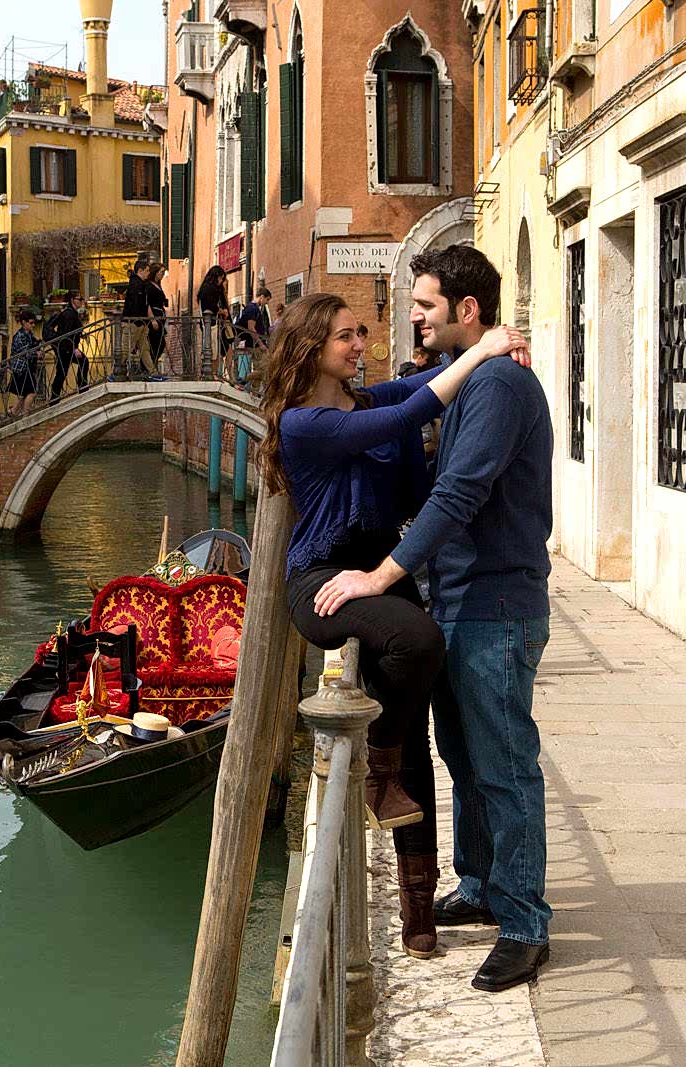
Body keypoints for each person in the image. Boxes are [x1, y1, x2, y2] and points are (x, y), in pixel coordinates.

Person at [259, 291, 527, 962]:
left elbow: (410, 393)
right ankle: (379, 756)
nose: (360, 344)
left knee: (416, 749)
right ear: (310, 347)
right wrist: (485, 351)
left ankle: (419, 912)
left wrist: (479, 350)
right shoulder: (302, 423)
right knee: (419, 642)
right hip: (321, 580)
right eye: (346, 336)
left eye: (362, 333)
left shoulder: (368, 404)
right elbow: (417, 404)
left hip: (377, 575)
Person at [312, 244, 551, 993]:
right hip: (457, 601)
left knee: (505, 766)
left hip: (496, 605)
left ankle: (524, 924)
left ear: (466, 311)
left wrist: (381, 573)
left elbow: (459, 496)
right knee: (463, 756)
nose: (412, 317)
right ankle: (480, 883)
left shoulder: (502, 386)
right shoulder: (471, 376)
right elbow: (397, 398)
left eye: (423, 306)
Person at [49, 290, 86, 399]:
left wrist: (81, 335)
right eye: (79, 299)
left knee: (62, 373)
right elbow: (66, 333)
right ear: (72, 300)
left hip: (66, 348)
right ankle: (82, 387)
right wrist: (74, 348)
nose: (81, 301)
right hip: (66, 349)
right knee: (63, 372)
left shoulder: (72, 313)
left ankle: (54, 398)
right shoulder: (69, 314)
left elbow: (72, 331)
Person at [7, 310, 40, 416]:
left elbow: (33, 345)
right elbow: (24, 352)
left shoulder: (29, 334)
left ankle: (13, 412)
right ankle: (25, 417)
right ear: (24, 322)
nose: (33, 325)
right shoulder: (20, 336)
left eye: (34, 323)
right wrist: (36, 354)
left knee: (24, 394)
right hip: (21, 368)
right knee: (31, 392)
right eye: (31, 323)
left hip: (27, 368)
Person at [122, 259, 152, 379]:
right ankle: (116, 372)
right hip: (134, 323)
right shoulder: (135, 284)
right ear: (140, 270)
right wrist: (138, 320)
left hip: (140, 322)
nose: (149, 273)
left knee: (145, 349)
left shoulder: (141, 284)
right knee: (126, 348)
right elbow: (135, 304)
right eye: (147, 270)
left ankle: (153, 372)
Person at [145, 263, 169, 378]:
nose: (163, 275)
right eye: (161, 272)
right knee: (154, 344)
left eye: (164, 273)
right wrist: (152, 319)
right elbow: (147, 303)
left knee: (160, 344)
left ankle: (151, 370)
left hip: (160, 317)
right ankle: (149, 370)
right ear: (155, 272)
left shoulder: (158, 284)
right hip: (154, 318)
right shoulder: (148, 286)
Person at [236, 286, 272, 353]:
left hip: (255, 344)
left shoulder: (253, 308)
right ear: (262, 297)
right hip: (255, 346)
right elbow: (251, 328)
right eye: (267, 299)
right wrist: (261, 344)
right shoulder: (253, 308)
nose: (267, 303)